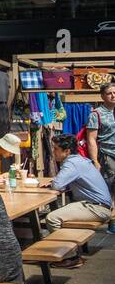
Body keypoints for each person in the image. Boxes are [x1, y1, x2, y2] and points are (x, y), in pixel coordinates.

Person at [42, 132, 113, 232]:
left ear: (67, 151)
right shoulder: (79, 160)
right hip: (98, 205)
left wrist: (55, 183)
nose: (53, 152)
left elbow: (56, 186)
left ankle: (63, 246)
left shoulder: (72, 163)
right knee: (63, 211)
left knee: (52, 218)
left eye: (56, 149)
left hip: (97, 208)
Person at [85, 82, 115, 232]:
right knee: (110, 188)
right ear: (102, 96)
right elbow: (91, 139)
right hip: (108, 154)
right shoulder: (96, 114)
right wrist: (95, 160)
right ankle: (112, 221)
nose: (113, 95)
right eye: (109, 93)